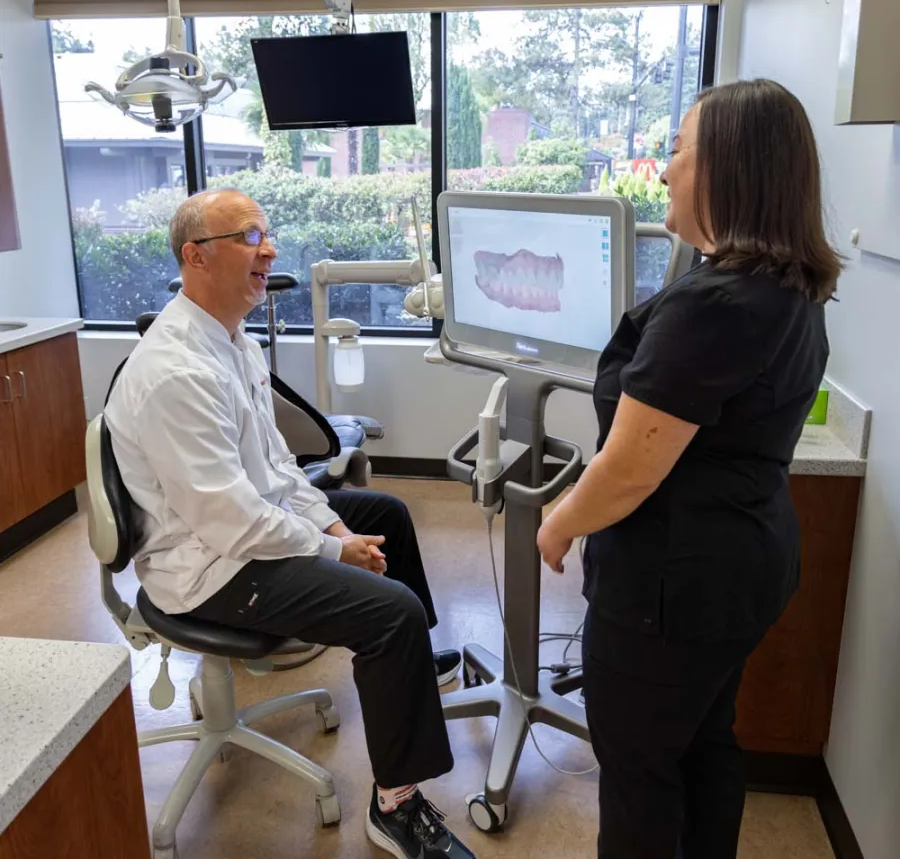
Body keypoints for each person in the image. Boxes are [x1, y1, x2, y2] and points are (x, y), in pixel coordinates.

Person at [105, 188, 476, 859]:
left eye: (266, 234)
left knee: (383, 512)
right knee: (385, 614)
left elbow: (276, 471)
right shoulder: (173, 372)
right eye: (248, 237)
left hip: (242, 531)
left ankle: (413, 665)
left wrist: (335, 531)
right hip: (210, 570)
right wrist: (335, 552)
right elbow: (232, 521)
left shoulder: (232, 341)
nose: (269, 249)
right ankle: (395, 804)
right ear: (195, 256)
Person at [537, 78, 842, 859]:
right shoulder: (789, 289)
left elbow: (631, 471)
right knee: (705, 741)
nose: (664, 170)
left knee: (639, 767)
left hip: (674, 588)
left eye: (677, 149)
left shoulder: (715, 305)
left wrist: (559, 521)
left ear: (732, 168)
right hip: (743, 569)